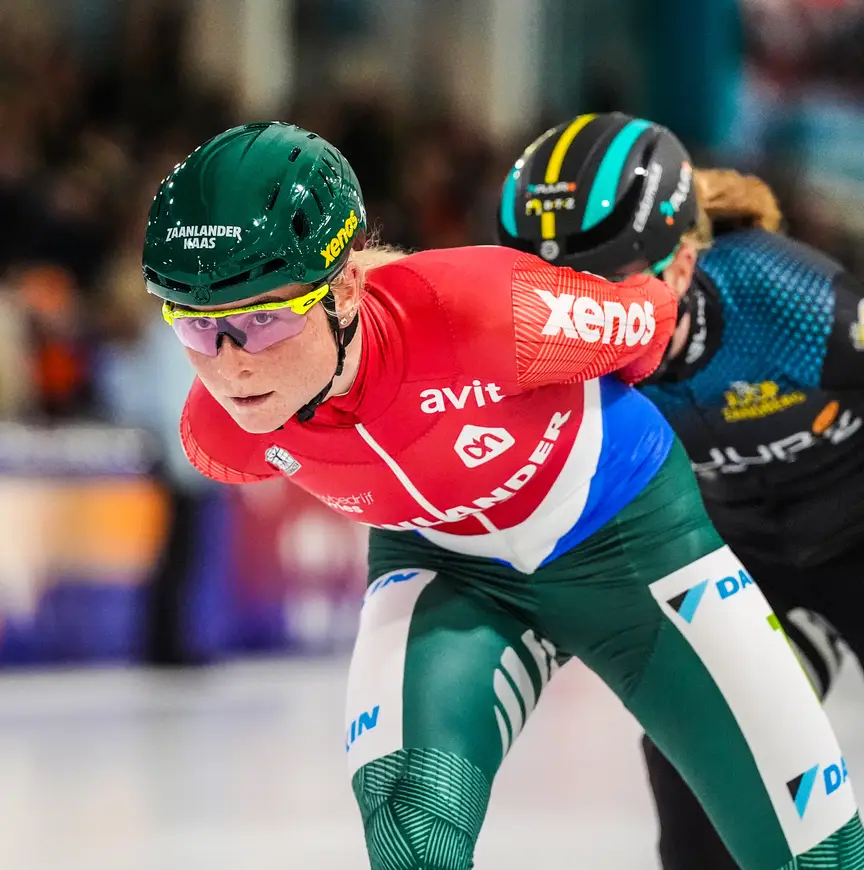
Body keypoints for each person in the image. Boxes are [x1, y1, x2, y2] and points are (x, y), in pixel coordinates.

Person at [142, 121, 863, 870]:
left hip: (627, 543)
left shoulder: (493, 313)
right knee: (410, 829)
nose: (227, 368)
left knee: (814, 853)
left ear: (345, 286)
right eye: (194, 330)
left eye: (260, 321)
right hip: (451, 567)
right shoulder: (219, 437)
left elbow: (651, 321)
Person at [498, 110, 864, 870]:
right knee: (700, 753)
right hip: (746, 559)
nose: (581, 321)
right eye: (551, 291)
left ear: (684, 264)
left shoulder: (791, 302)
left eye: (606, 286)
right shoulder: (544, 357)